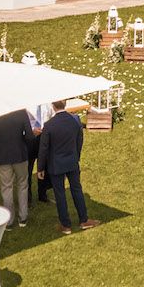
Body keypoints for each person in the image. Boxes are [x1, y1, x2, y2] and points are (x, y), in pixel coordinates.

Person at [37, 99, 98, 234]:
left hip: (56, 164)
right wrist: (76, 156)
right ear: (65, 104)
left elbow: (43, 149)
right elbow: (79, 140)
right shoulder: (75, 121)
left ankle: (66, 225)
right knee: (77, 189)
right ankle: (84, 220)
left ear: (53, 106)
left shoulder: (49, 125)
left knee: (60, 194)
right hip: (72, 161)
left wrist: (40, 168)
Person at [0, 108, 33, 227]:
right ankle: (23, 217)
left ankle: (9, 220)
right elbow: (29, 136)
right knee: (22, 185)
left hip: (2, 157)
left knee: (6, 188)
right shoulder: (21, 112)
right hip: (20, 155)